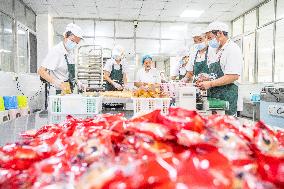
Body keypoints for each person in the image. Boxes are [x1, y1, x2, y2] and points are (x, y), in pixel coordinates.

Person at [197, 21, 243, 116]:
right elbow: (218, 74)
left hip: (228, 98)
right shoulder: (216, 51)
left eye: (210, 38)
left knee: (226, 127)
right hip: (216, 98)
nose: (209, 41)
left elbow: (232, 76)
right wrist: (208, 78)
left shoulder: (232, 49)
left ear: (220, 33)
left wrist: (210, 83)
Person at [38, 23, 85, 94]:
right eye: (72, 41)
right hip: (57, 91)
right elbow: (41, 71)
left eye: (76, 43)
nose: (74, 44)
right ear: (65, 36)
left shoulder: (70, 52)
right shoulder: (56, 51)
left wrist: (77, 82)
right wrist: (57, 83)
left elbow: (69, 73)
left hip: (68, 89)